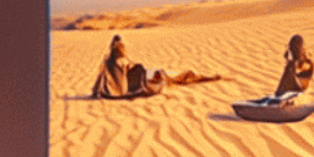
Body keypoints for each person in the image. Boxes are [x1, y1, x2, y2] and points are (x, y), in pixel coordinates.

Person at [89, 34, 221, 99]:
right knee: (163, 74)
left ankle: (194, 76)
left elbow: (98, 85)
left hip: (134, 86)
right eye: (120, 47)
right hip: (135, 89)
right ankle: (195, 76)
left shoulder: (109, 63)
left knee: (160, 73)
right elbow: (120, 85)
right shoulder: (114, 63)